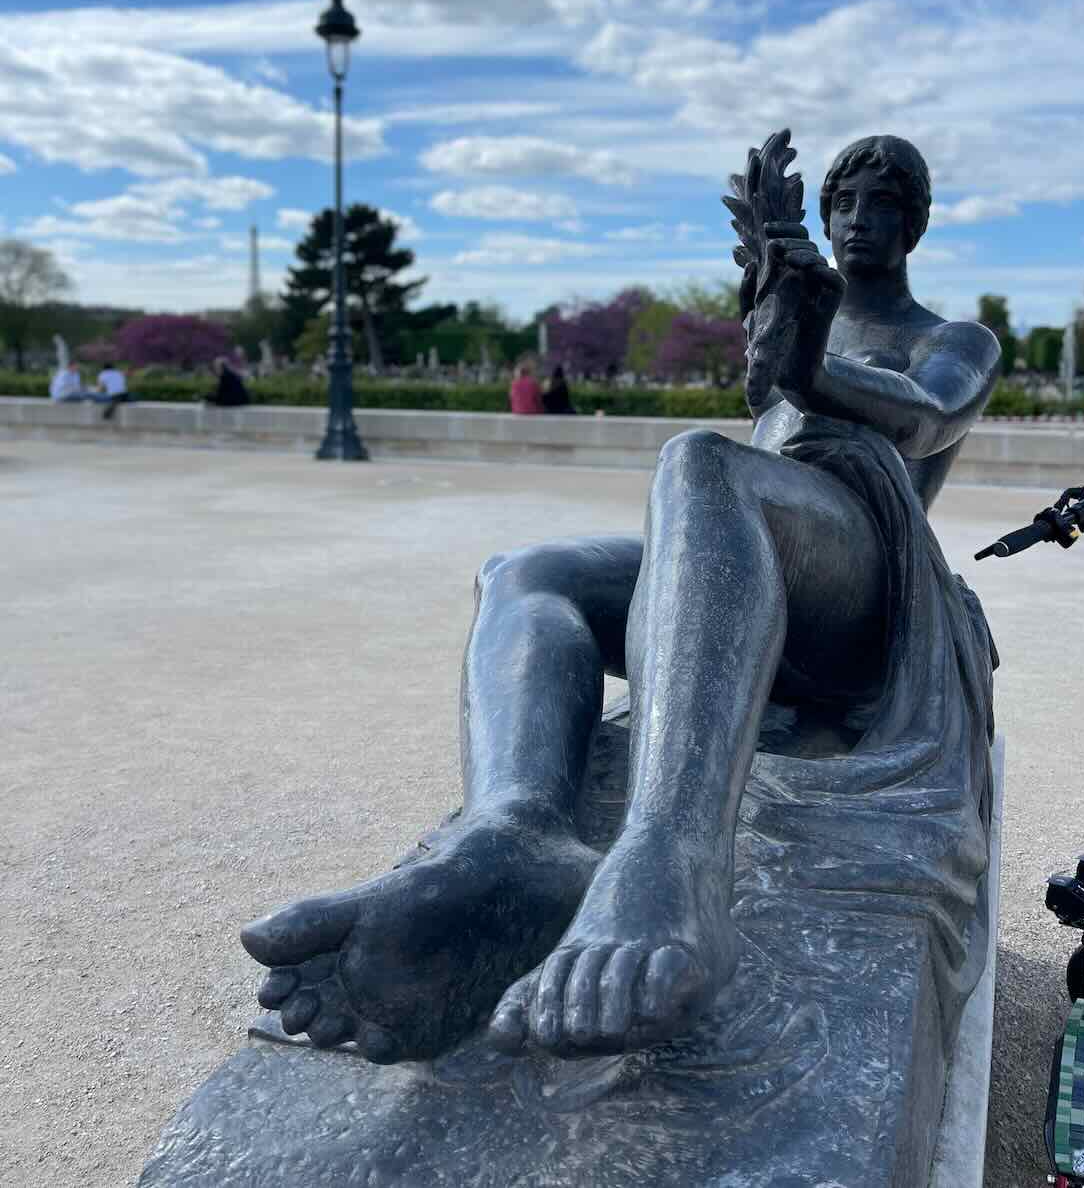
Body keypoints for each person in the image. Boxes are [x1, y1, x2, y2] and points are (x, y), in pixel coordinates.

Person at [243, 132, 1000, 1071]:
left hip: (862, 595)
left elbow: (925, 417)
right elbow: (773, 389)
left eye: (879, 205)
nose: (855, 223)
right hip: (760, 547)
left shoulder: (953, 339)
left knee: (700, 460)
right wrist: (778, 294)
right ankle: (515, 832)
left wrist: (803, 346)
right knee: (525, 571)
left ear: (914, 223)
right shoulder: (808, 306)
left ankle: (673, 854)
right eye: (841, 205)